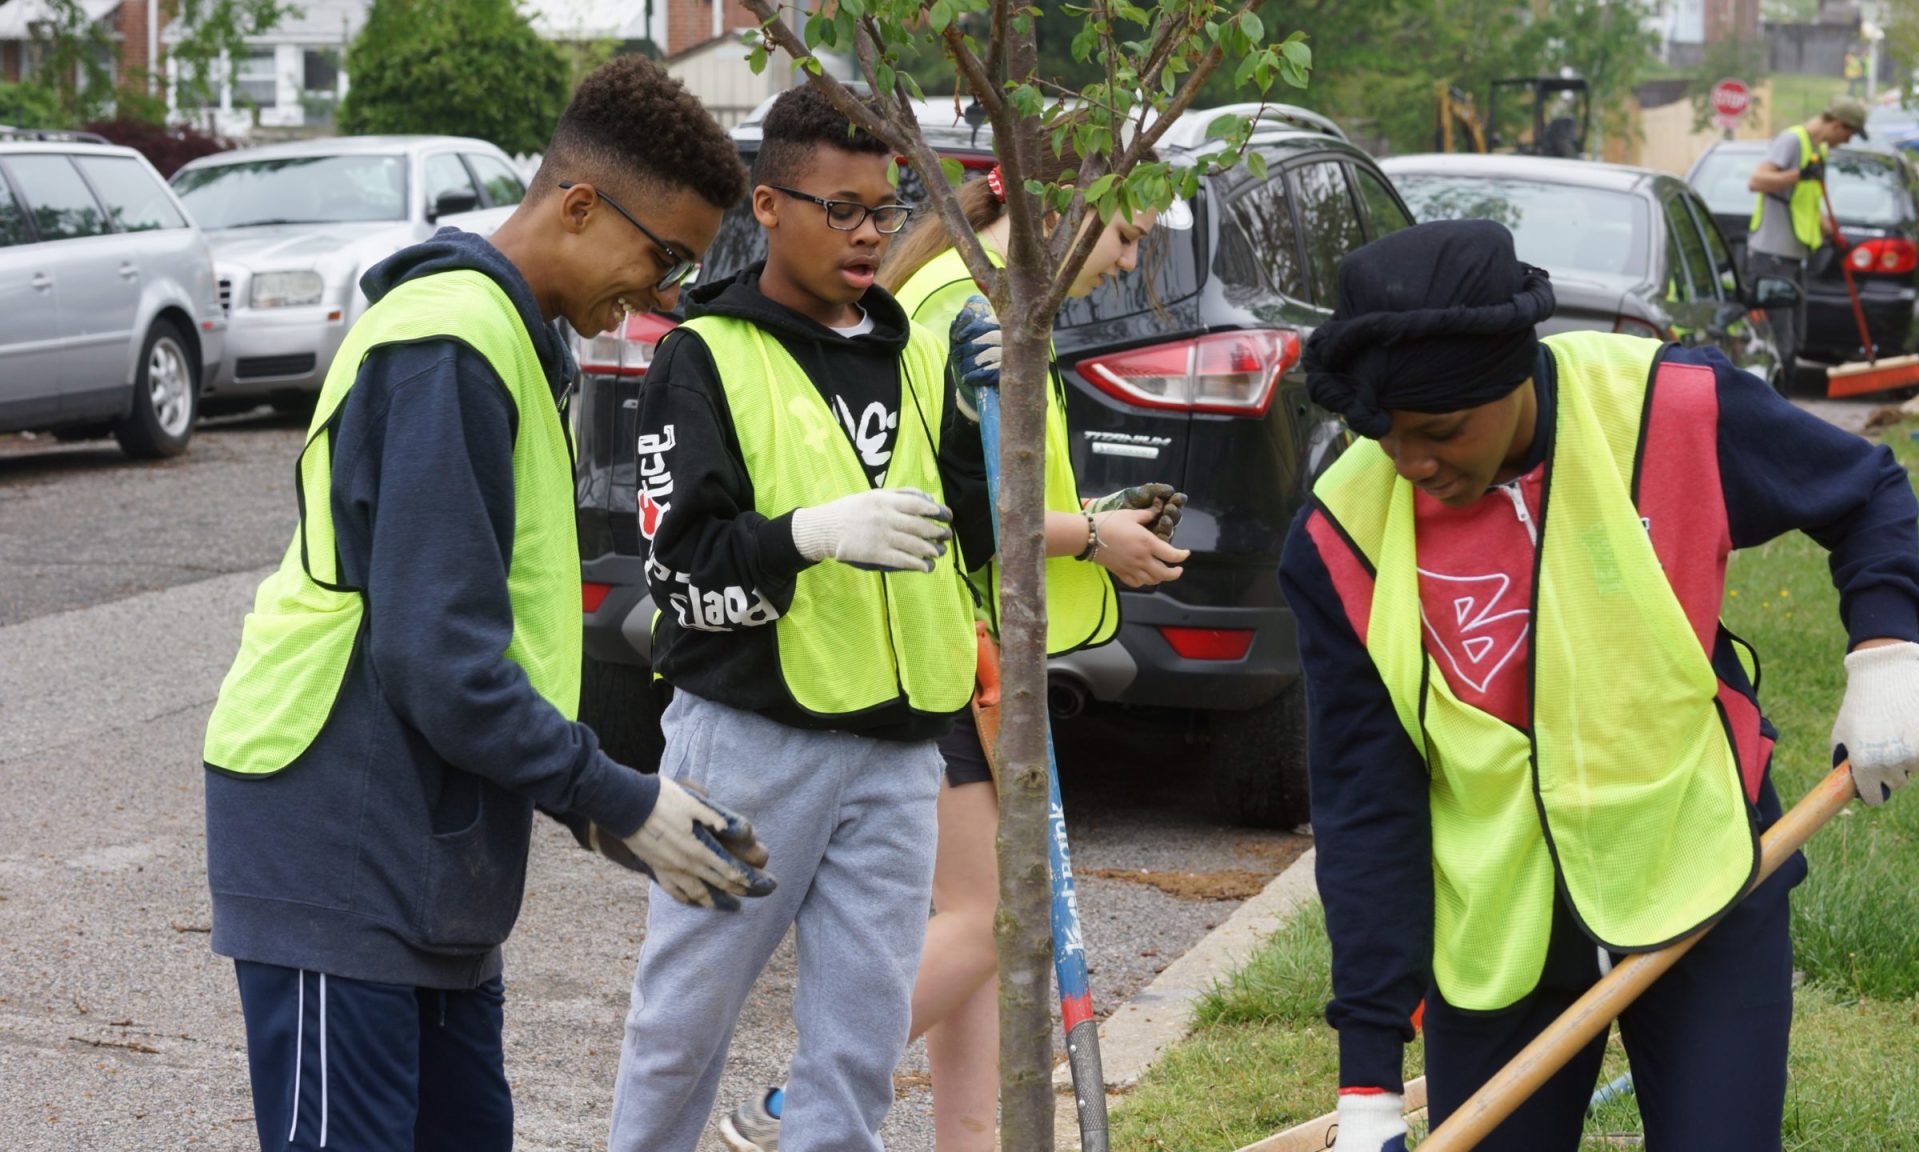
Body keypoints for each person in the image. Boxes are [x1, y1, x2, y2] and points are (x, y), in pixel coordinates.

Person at [200, 57, 775, 1152]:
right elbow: (436, 655)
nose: (658, 297)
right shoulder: (448, 346)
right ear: (575, 203)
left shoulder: (512, 338)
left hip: (428, 852)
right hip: (341, 833)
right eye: (662, 259)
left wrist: (589, 803)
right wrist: (612, 797)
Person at [1282, 219, 1919, 1151]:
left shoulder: (1670, 407)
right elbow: (1366, 807)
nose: (1413, 466)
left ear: (1513, 375)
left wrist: (1885, 654)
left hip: (1703, 879)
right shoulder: (1338, 538)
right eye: (1386, 437)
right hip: (1496, 942)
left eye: (1439, 432)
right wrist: (1368, 1083)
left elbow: (1862, 490)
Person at [717, 151, 1192, 1152]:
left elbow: (994, 481)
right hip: (942, 646)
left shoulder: (979, 295)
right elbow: (967, 512)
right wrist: (1092, 537)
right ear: (1058, 207)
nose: (1127, 260)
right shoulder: (963, 309)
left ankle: (968, 1138)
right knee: (995, 919)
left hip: (961, 643)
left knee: (978, 929)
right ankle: (790, 1109)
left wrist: (1090, 519)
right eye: (1125, 233)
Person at [607, 85, 991, 1152]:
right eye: (842, 208)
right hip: (750, 744)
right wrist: (807, 535)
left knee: (858, 1046)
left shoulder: (903, 343)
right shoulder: (707, 356)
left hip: (901, 745)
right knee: (683, 1026)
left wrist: (974, 421)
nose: (869, 233)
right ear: (769, 206)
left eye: (884, 208)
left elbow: (965, 527)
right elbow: (680, 573)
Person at [1746, 95, 1867, 374]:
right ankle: (1774, 408)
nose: (1847, 142)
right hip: (1772, 257)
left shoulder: (1818, 150)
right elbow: (1756, 181)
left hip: (1795, 256)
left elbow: (1808, 203)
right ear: (1836, 125)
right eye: (1848, 134)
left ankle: (1783, 403)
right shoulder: (1792, 141)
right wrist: (1797, 175)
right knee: (1780, 343)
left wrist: (1833, 234)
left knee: (1796, 340)